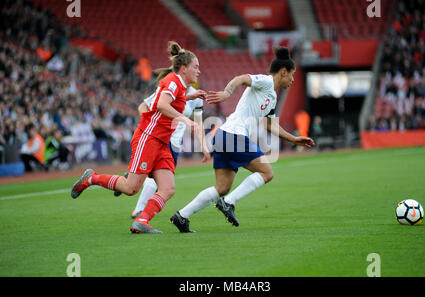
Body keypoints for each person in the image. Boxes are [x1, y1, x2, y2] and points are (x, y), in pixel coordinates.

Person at [170, 47, 315, 233]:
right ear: (283, 72)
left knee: (222, 187)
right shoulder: (266, 82)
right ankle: (229, 203)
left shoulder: (271, 97)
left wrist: (294, 139)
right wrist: (227, 93)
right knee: (267, 172)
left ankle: (182, 216)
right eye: (292, 75)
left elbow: (270, 125)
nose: (293, 79)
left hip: (223, 135)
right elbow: (241, 78)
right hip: (234, 135)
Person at [70, 41, 206, 234]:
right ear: (184, 68)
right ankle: (90, 178)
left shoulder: (180, 86)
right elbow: (161, 104)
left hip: (161, 143)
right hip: (149, 138)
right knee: (130, 187)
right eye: (196, 67)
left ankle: (142, 221)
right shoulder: (174, 81)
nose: (199, 71)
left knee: (168, 188)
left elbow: (172, 101)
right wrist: (185, 119)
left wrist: (192, 97)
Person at [115, 82, 210, 219]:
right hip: (162, 138)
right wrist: (149, 123)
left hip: (175, 143)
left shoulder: (197, 96)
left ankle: (130, 176)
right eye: (194, 68)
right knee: (162, 180)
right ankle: (139, 211)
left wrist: (203, 145)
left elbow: (199, 122)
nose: (197, 73)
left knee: (155, 176)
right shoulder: (170, 89)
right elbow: (143, 106)